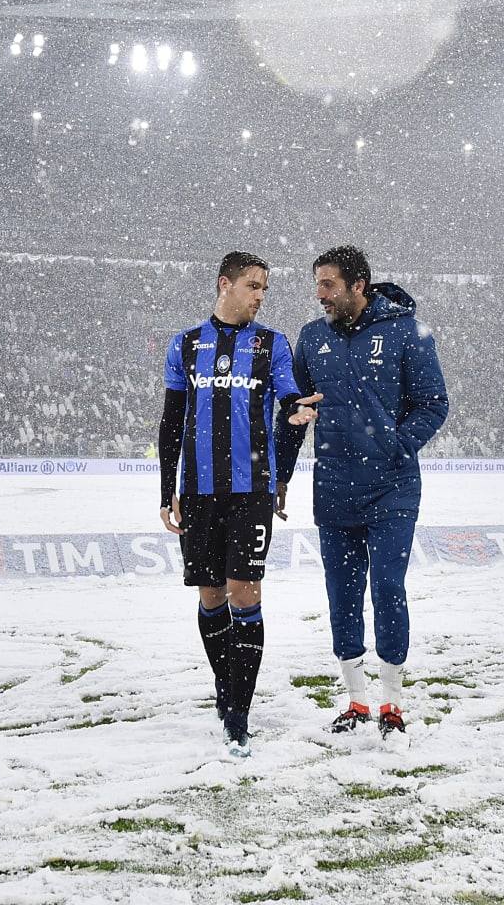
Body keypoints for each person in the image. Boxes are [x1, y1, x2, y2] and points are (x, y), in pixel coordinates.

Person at [275, 246, 448, 740]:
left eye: (328, 284)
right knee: (342, 596)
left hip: (392, 488)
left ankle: (391, 703)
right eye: (318, 284)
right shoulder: (311, 337)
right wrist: (281, 477)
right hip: (333, 488)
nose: (320, 294)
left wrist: (398, 444)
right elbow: (293, 412)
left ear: (359, 285)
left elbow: (434, 403)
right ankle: (355, 701)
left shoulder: (406, 331)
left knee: (388, 587)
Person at [159, 251, 321, 757]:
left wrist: (295, 411)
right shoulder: (185, 344)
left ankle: (239, 713)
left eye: (264, 288)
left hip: (252, 491)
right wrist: (168, 490)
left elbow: (289, 395)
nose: (259, 296)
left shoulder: (271, 344)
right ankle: (225, 687)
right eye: (253, 285)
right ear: (224, 284)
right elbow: (171, 422)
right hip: (200, 493)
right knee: (210, 597)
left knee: (244, 594)